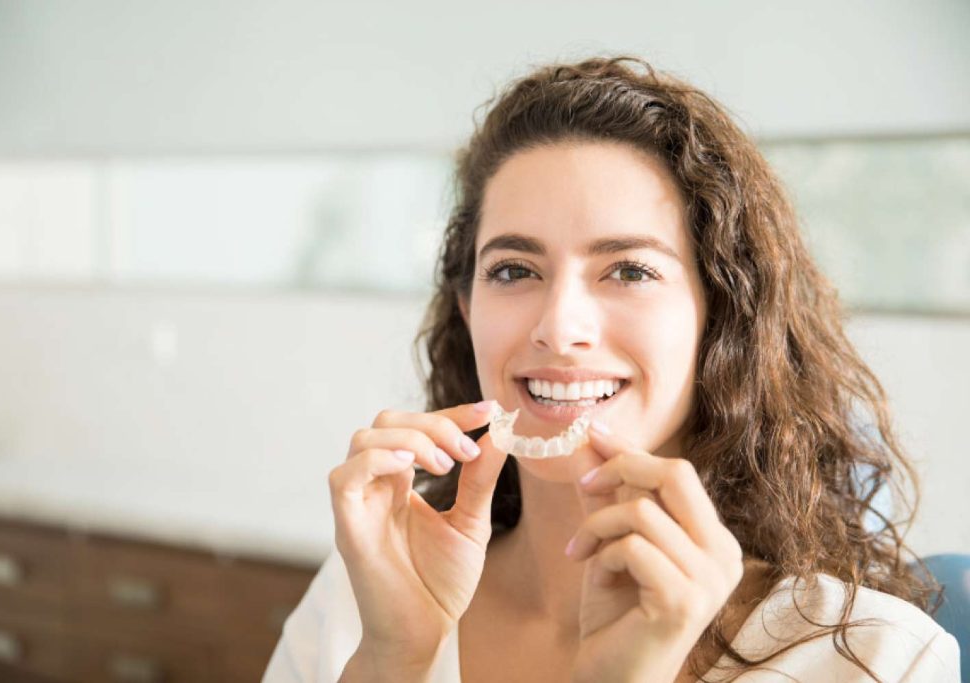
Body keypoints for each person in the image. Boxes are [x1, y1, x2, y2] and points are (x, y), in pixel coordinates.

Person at [262, 56, 960, 682]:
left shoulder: (876, 660)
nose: (559, 328)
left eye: (628, 269)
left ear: (721, 318)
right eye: (513, 269)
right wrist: (391, 663)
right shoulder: (365, 597)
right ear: (467, 308)